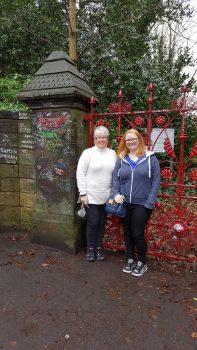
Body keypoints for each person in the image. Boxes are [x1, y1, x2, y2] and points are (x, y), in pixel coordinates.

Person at [112, 128, 160, 276]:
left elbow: (156, 181)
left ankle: (142, 262)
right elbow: (115, 179)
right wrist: (116, 193)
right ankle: (130, 258)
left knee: (137, 233)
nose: (131, 141)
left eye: (133, 139)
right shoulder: (122, 158)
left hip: (143, 203)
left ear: (139, 139)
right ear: (125, 142)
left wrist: (150, 202)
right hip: (125, 203)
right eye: (128, 140)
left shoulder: (150, 158)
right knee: (127, 232)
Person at [76, 126, 117, 262]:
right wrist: (83, 193)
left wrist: (114, 193)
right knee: (92, 223)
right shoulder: (88, 153)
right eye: (98, 137)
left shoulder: (112, 153)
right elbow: (80, 173)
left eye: (103, 137)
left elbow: (116, 175)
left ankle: (99, 248)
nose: (101, 139)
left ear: (107, 138)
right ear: (94, 139)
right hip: (90, 195)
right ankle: (90, 249)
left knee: (101, 223)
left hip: (106, 195)